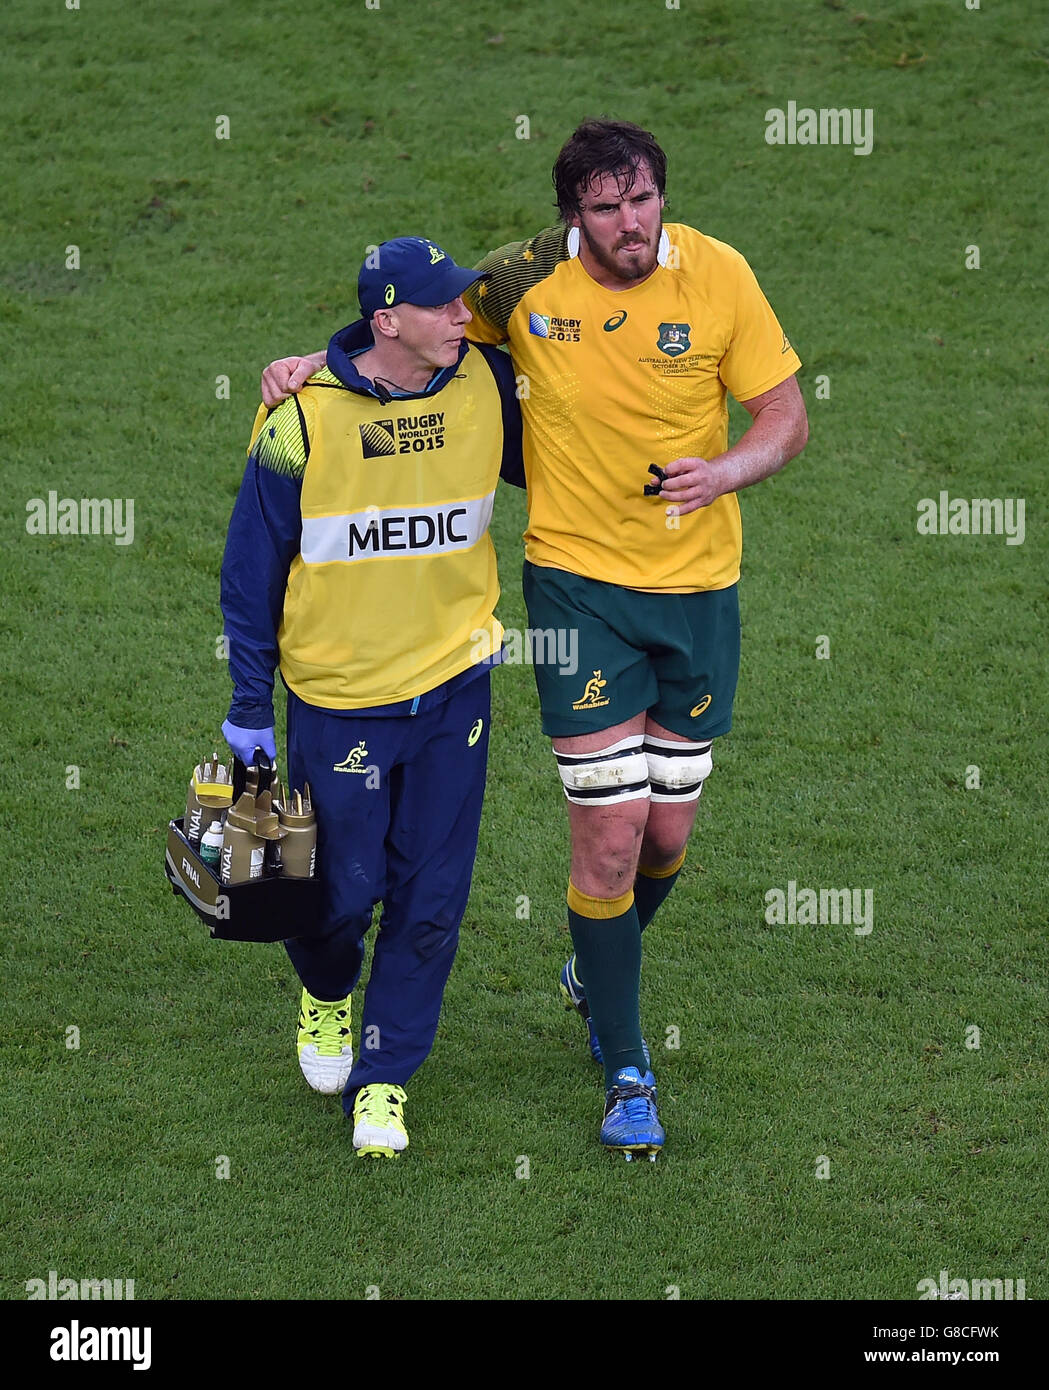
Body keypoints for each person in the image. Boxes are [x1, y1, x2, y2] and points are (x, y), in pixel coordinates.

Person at [260, 120, 808, 1161]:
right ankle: (627, 1070)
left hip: (698, 597)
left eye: (641, 199)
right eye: (605, 209)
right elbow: (404, 324)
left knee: (664, 840)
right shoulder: (521, 284)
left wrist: (724, 472)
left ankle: (590, 966)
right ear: (572, 218)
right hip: (575, 592)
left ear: (660, 195)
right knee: (607, 838)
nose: (629, 223)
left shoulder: (720, 276)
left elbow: (784, 414)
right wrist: (312, 364)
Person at [222, 236, 523, 1158]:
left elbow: (572, 309)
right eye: (441, 307)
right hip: (339, 700)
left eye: (464, 303)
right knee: (337, 901)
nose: (462, 318)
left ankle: (384, 1080)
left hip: (453, 688)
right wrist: (246, 706)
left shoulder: (489, 384)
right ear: (387, 319)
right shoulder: (296, 420)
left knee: (431, 900)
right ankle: (323, 995)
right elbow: (250, 570)